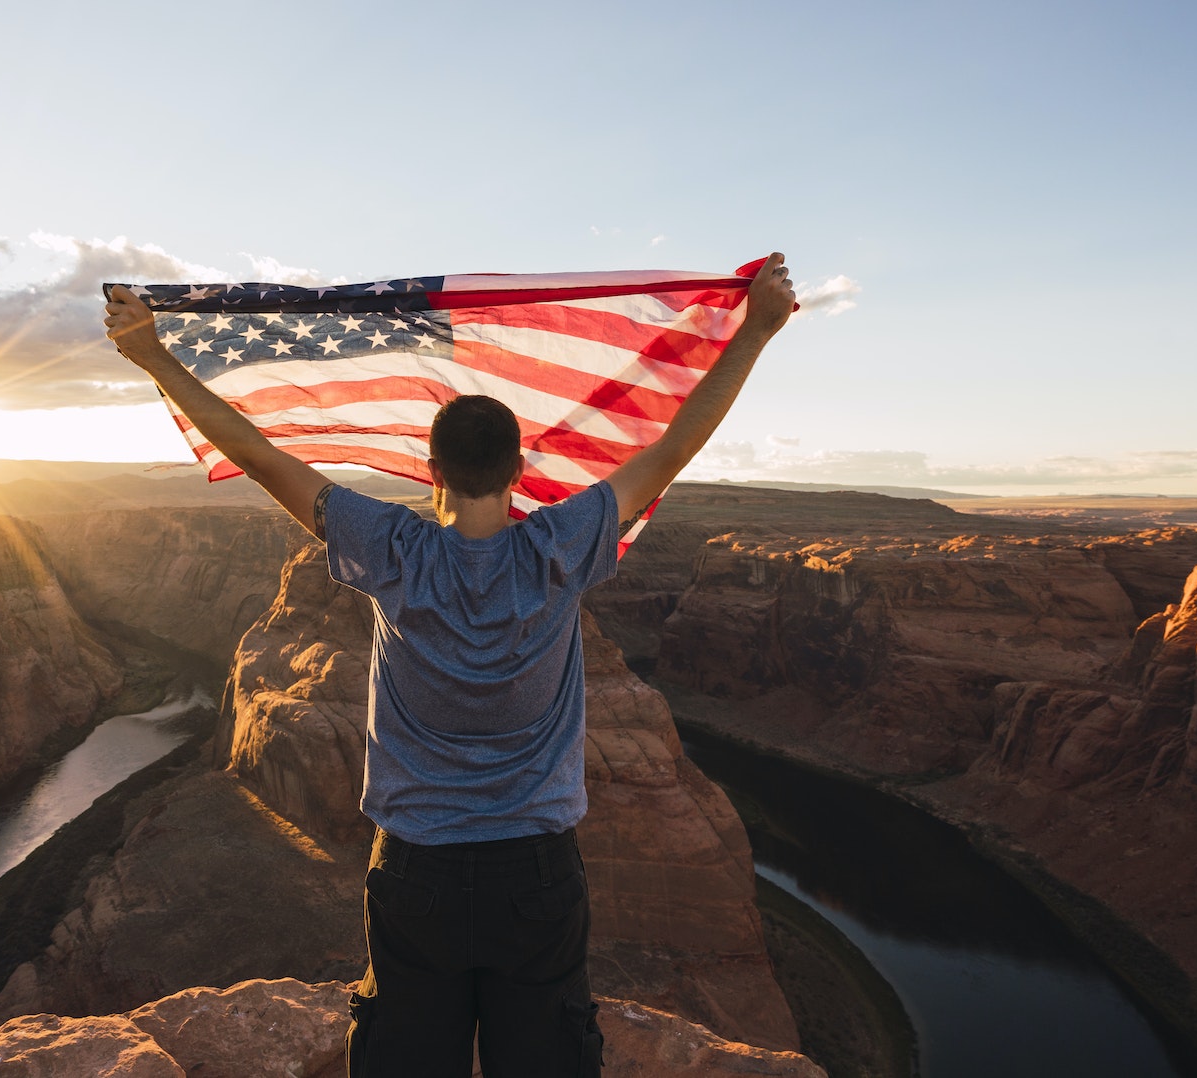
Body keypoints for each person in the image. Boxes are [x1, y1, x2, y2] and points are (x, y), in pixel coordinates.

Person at [103, 254, 797, 1078]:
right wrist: (753, 331)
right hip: (536, 877)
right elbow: (678, 444)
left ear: (431, 471)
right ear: (519, 474)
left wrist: (156, 357)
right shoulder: (560, 549)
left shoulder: (391, 551)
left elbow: (260, 456)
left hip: (417, 872)